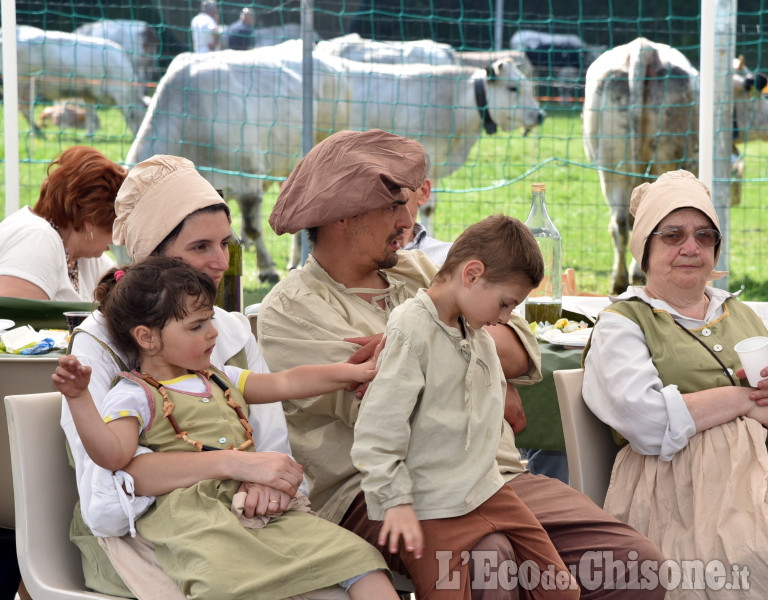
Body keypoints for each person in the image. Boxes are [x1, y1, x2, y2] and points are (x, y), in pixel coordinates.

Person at [258, 128, 665, 599]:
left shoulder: (417, 271)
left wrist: (446, 356)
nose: (407, 219)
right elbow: (400, 413)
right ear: (342, 217)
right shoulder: (290, 311)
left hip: (496, 476)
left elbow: (520, 344)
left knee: (634, 567)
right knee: (490, 561)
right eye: (392, 206)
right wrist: (475, 370)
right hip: (384, 496)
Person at [60, 155, 327, 599]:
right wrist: (235, 465)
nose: (221, 261)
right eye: (200, 246)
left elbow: (271, 446)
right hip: (144, 539)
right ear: (150, 257)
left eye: (226, 243)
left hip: (243, 520)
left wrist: (270, 488)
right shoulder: (97, 344)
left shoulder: (233, 329)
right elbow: (108, 496)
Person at [54, 256, 396, 600]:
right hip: (196, 523)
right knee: (223, 583)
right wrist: (80, 398)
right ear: (147, 337)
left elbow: (286, 381)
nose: (213, 332)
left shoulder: (221, 377)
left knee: (361, 559)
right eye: (196, 326)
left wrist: (351, 373)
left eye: (211, 319)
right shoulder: (132, 394)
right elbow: (113, 456)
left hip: (258, 507)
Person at [351, 214, 578, 598]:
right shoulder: (411, 328)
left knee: (560, 589)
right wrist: (396, 502)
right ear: (471, 274)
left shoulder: (477, 333)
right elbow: (377, 431)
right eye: (505, 304)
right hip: (430, 504)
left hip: (489, 489)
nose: (505, 318)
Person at [582, 169, 768, 598]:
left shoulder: (739, 312)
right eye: (672, 235)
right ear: (644, 249)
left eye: (704, 236)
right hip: (679, 486)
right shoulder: (623, 324)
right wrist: (741, 399)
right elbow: (648, 424)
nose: (691, 247)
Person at [403, 156, 569, 484]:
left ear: (423, 193)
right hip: (433, 481)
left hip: (492, 472)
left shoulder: (451, 257)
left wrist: (487, 370)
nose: (391, 214)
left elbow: (519, 345)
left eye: (397, 198)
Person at [0, 145, 125, 301]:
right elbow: (14, 319)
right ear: (90, 219)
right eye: (115, 226)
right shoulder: (37, 241)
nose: (117, 240)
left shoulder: (86, 258)